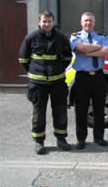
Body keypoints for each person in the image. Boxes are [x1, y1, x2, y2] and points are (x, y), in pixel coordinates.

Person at [18, 10, 72, 154]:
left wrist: (58, 69)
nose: (47, 24)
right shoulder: (31, 37)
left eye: (49, 21)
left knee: (60, 111)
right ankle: (39, 141)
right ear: (39, 22)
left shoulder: (61, 38)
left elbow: (67, 57)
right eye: (44, 21)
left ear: (53, 22)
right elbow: (23, 59)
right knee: (38, 113)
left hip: (57, 82)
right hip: (38, 83)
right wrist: (35, 71)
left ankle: (61, 139)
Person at [70, 12, 108, 149]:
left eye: (90, 21)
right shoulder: (75, 36)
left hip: (98, 76)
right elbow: (80, 48)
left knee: (99, 108)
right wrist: (97, 48)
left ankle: (99, 137)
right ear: (81, 23)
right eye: (85, 21)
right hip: (83, 77)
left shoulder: (101, 36)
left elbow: (107, 51)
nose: (88, 23)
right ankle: (81, 139)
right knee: (81, 109)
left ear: (94, 23)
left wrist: (88, 52)